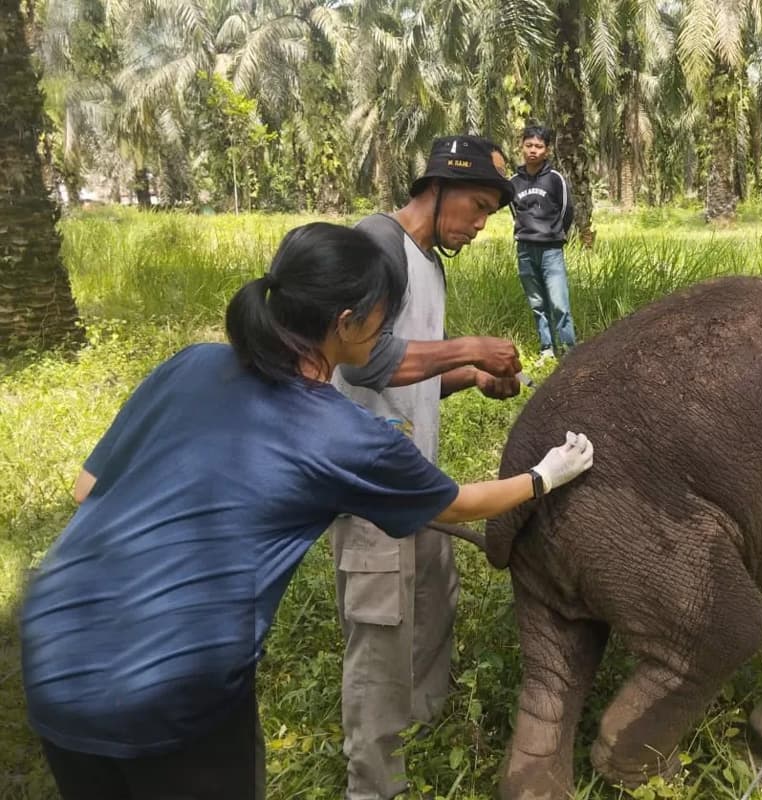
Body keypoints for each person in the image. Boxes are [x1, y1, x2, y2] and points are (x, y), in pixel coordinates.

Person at [18, 221, 594, 800]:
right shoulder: (344, 435)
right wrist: (546, 475)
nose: (387, 334)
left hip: (54, 648)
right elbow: (460, 502)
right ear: (348, 323)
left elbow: (86, 487)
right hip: (173, 680)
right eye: (383, 320)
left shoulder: (192, 363)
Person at [331, 134, 527, 800]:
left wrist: (469, 375)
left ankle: (424, 730)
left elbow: (408, 380)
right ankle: (373, 786)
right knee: (381, 638)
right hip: (370, 483)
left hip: (418, 478)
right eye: (474, 207)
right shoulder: (376, 245)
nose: (476, 226)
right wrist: (468, 347)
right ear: (436, 186)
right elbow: (363, 361)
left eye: (488, 216)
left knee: (435, 600)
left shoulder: (430, 267)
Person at [510, 124, 578, 364]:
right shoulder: (514, 182)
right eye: (529, 145)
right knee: (537, 303)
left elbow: (567, 210)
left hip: (551, 250)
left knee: (560, 303)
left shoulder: (555, 179)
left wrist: (554, 235)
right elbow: (514, 212)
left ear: (547, 151)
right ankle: (547, 349)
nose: (533, 150)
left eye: (539, 146)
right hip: (525, 250)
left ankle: (570, 351)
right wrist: (525, 233)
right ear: (522, 146)